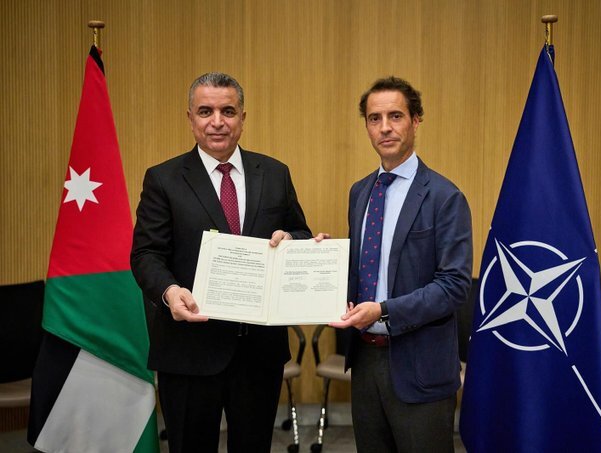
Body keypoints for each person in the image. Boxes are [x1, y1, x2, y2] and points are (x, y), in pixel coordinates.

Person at [130, 72, 311, 452]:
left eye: (228, 111)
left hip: (258, 352)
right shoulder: (163, 179)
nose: (217, 121)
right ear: (190, 118)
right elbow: (146, 254)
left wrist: (292, 240)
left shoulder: (274, 173)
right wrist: (170, 291)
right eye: (205, 111)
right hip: (189, 350)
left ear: (242, 117)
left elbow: (300, 231)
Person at [327, 76, 473, 453]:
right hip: (365, 362)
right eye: (374, 118)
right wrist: (323, 260)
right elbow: (362, 268)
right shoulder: (360, 192)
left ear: (416, 121)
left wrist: (385, 310)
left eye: (395, 116)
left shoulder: (445, 196)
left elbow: (454, 285)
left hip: (420, 366)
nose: (385, 127)